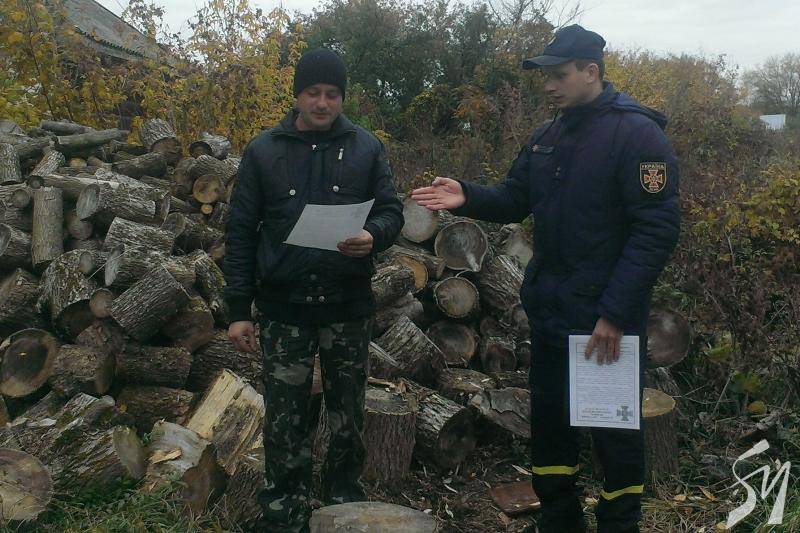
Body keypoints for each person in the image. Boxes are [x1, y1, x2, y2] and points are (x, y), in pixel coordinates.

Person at [411, 25, 680, 533]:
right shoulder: (548, 137)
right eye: (545, 76)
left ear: (591, 71)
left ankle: (618, 525)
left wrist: (615, 314)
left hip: (604, 322)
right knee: (552, 429)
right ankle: (559, 521)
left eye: (559, 75)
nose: (549, 86)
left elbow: (656, 232)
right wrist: (467, 195)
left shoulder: (637, 135)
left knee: (612, 435)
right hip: (553, 314)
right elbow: (516, 197)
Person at [224, 48, 404, 533]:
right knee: (285, 421)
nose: (322, 103)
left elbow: (391, 211)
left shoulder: (367, 148)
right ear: (297, 95)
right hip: (285, 310)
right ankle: (284, 514)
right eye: (313, 93)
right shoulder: (264, 151)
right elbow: (240, 231)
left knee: (348, 418)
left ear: (342, 97)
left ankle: (344, 509)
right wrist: (238, 308)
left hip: (348, 307)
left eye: (332, 94)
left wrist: (374, 235)